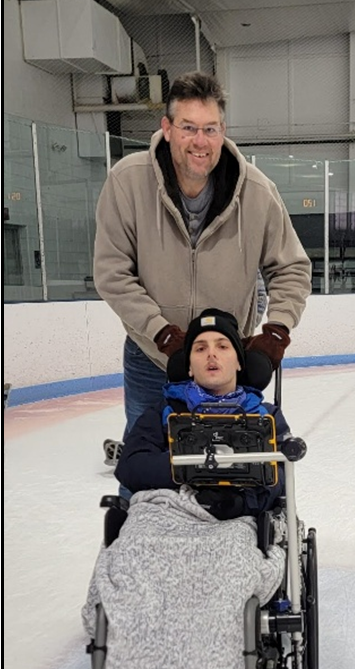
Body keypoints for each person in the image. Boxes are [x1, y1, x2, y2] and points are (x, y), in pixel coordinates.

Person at [82, 309, 297, 669]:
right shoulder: (164, 412)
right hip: (165, 513)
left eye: (222, 347)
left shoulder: (265, 415)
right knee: (135, 564)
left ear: (239, 362)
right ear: (189, 363)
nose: (211, 355)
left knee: (225, 576)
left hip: (232, 521)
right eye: (200, 348)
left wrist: (236, 491)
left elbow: (278, 479)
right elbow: (132, 466)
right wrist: (190, 472)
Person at [93, 69, 312, 451]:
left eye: (210, 129)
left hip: (223, 357)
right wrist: (162, 333)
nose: (200, 141)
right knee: (144, 460)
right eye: (188, 127)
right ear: (167, 127)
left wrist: (276, 332)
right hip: (151, 357)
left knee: (230, 469)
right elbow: (112, 272)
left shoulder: (257, 192)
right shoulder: (127, 182)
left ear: (223, 130)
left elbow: (291, 268)